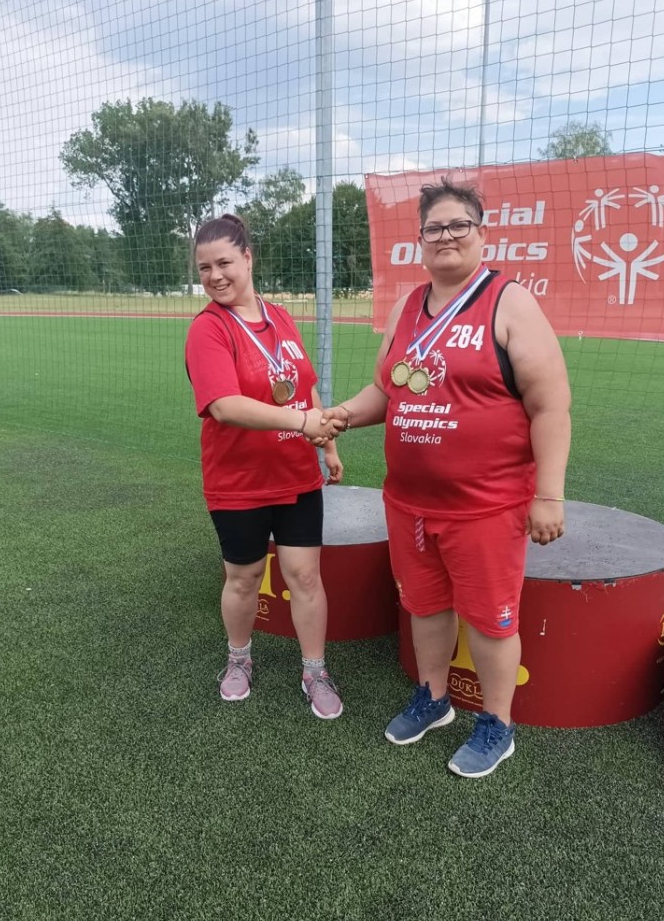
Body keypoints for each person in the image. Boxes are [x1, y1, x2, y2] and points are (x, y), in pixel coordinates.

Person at [323, 177, 572, 775]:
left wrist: (550, 495)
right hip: (410, 503)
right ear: (420, 240)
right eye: (433, 228)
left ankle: (497, 724)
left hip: (486, 506)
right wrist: (341, 416)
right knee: (426, 607)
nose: (446, 236)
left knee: (489, 620)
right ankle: (433, 699)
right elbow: (388, 391)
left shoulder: (509, 302)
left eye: (459, 225)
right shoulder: (408, 307)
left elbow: (551, 406)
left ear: (482, 234)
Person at [185, 213, 345, 720]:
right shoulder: (208, 329)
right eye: (204, 268)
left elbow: (303, 384)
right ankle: (239, 659)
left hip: (297, 477)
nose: (215, 276)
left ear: (248, 258)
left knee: (306, 577)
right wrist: (301, 421)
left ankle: (315, 669)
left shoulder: (280, 317)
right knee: (244, 577)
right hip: (238, 482)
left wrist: (325, 444)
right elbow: (224, 406)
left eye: (224, 263)